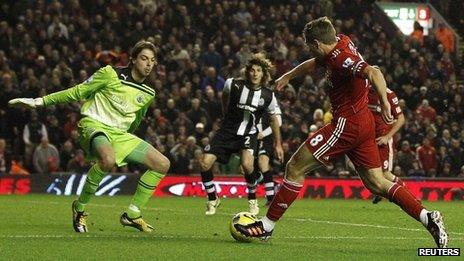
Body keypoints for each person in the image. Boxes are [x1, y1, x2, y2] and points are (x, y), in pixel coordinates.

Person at [234, 17, 448, 248]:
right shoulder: (341, 41)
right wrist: (288, 76)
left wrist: (385, 102)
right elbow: (316, 62)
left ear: (316, 43)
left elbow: (373, 72)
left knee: (295, 167)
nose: (309, 50)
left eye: (309, 46)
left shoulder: (341, 59)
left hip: (347, 125)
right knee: (377, 183)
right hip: (363, 121)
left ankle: (266, 226)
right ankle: (429, 217)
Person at [9, 40, 170, 233]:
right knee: (107, 159)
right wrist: (39, 102)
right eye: (144, 58)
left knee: (162, 164)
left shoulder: (148, 92)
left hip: (120, 135)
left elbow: (136, 120)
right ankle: (79, 208)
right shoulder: (110, 74)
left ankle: (132, 214)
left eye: (152, 60)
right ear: (133, 59)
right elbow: (77, 92)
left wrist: (127, 139)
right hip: (93, 125)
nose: (149, 64)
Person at [200, 53, 283, 216]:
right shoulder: (233, 84)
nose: (255, 73)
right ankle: (212, 198)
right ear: (247, 71)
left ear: (263, 73)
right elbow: (224, 98)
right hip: (227, 131)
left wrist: (278, 144)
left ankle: (252, 199)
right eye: (252, 70)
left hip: (248, 133)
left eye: (258, 70)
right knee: (204, 163)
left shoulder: (268, 95)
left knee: (247, 165)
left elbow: (274, 119)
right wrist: (226, 115)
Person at [367, 86, 406, 204]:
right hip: (368, 139)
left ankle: (408, 195)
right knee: (371, 171)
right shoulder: (363, 90)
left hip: (383, 139)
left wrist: (387, 137)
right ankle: (381, 192)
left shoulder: (389, 94)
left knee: (385, 173)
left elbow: (401, 118)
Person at [256, 102, 282, 205]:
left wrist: (263, 133)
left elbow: (278, 122)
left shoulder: (271, 100)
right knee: (245, 168)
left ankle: (270, 198)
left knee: (263, 162)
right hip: (250, 137)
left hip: (264, 138)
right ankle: (273, 184)